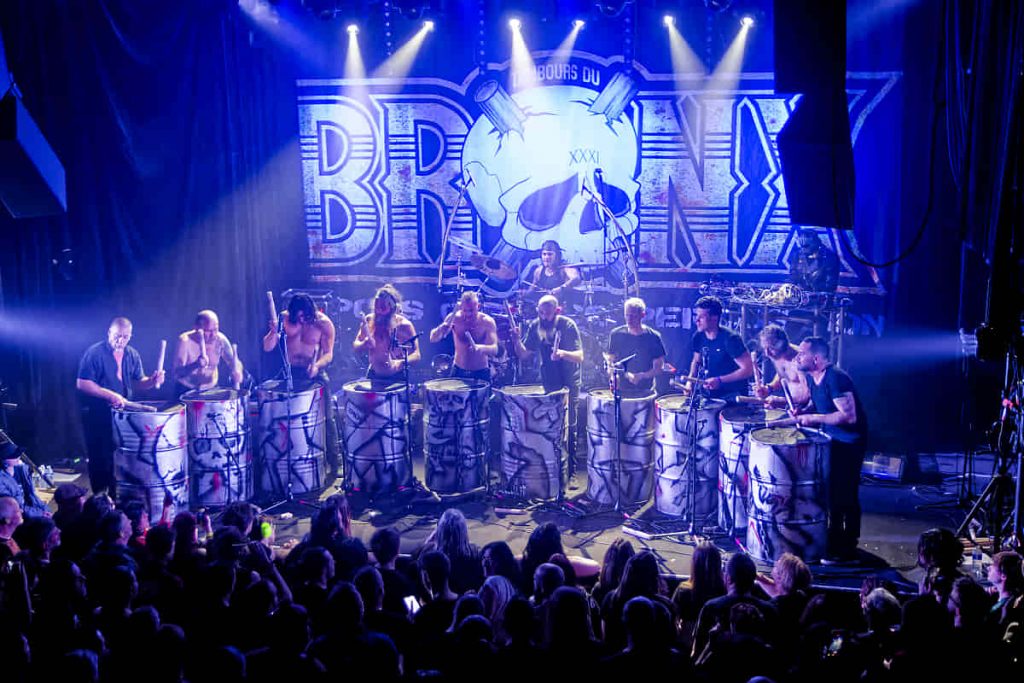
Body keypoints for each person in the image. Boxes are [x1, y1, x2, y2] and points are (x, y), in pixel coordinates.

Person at [789, 336, 868, 564]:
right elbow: (819, 404)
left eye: (802, 354)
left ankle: (848, 548)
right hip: (832, 440)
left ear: (816, 358)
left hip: (849, 442)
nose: (797, 357)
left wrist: (813, 418)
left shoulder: (835, 378)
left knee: (845, 493)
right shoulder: (814, 377)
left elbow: (849, 416)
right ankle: (833, 540)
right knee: (831, 492)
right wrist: (803, 410)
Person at [76, 317, 166, 495]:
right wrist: (110, 395)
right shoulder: (95, 353)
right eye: (117, 336)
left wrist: (152, 380)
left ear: (130, 336)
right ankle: (101, 498)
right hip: (97, 413)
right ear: (109, 333)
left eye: (125, 337)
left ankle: (118, 496)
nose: (120, 340)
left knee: (120, 456)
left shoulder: (132, 354)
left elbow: (138, 382)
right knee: (100, 457)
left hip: (122, 415)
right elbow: (83, 383)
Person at [510, 294, 584, 466]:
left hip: (569, 381)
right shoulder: (535, 325)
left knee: (569, 424)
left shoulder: (567, 325)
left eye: (547, 314)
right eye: (541, 313)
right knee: (551, 425)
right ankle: (554, 466)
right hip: (549, 381)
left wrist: (562, 353)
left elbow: (580, 356)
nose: (544, 317)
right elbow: (524, 354)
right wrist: (516, 340)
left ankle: (571, 468)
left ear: (557, 311)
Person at [683, 295, 753, 402]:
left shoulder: (730, 339)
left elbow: (748, 369)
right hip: (709, 395)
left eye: (701, 317)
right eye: (697, 315)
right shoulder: (698, 336)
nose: (697, 320)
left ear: (714, 318)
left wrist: (720, 380)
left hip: (732, 396)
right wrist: (690, 382)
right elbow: (696, 361)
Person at [262, 293, 336, 387]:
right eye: (297, 317)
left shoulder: (324, 323)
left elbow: (328, 354)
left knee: (324, 390)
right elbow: (267, 347)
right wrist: (273, 332)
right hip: (289, 371)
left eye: (304, 317)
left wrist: (316, 366)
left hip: (314, 371)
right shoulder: (283, 319)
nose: (301, 320)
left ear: (312, 313)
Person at [352, 284, 421, 381]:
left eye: (383, 307)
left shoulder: (404, 326)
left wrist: (400, 363)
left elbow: (416, 355)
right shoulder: (369, 320)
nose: (379, 311)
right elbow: (356, 346)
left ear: (392, 308)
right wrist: (364, 344)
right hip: (374, 374)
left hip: (397, 376)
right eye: (376, 307)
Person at [172, 310, 244, 398]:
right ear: (196, 328)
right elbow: (177, 373)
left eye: (216, 329)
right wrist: (196, 365)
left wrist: (238, 372)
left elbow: (234, 361)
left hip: (211, 389)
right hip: (186, 389)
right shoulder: (185, 341)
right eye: (208, 331)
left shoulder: (220, 339)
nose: (213, 334)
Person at [429, 290, 499, 381]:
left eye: (471, 310)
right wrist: (441, 328)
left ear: (478, 306)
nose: (468, 314)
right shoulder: (454, 318)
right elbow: (433, 339)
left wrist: (481, 348)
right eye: (465, 310)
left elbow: (494, 349)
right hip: (458, 370)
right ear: (461, 307)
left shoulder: (487, 322)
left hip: (480, 372)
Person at [605, 297, 666, 399]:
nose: (629, 319)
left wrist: (641, 376)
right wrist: (613, 376)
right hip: (621, 391)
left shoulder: (653, 337)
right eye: (627, 315)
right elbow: (610, 361)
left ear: (642, 315)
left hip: (646, 391)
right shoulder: (616, 334)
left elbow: (658, 368)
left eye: (633, 316)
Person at [753, 324, 810, 408]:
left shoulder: (801, 361)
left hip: (807, 409)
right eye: (765, 348)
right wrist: (769, 388)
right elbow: (783, 374)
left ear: (782, 344)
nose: (767, 353)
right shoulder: (778, 356)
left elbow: (808, 394)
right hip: (791, 406)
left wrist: (781, 401)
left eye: (771, 348)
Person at [0, 435, 47, 518]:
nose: (18, 457)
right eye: (14, 456)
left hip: (32, 511)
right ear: (4, 460)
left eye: (18, 454)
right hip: (18, 516)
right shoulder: (1, 480)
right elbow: (14, 507)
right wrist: (40, 514)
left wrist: (45, 509)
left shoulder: (22, 471)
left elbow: (32, 495)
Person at [789, 228, 839, 293]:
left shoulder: (829, 257)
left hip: (821, 296)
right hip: (801, 295)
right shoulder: (796, 255)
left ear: (816, 243)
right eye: (802, 246)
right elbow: (793, 277)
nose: (803, 249)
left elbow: (830, 286)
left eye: (806, 246)